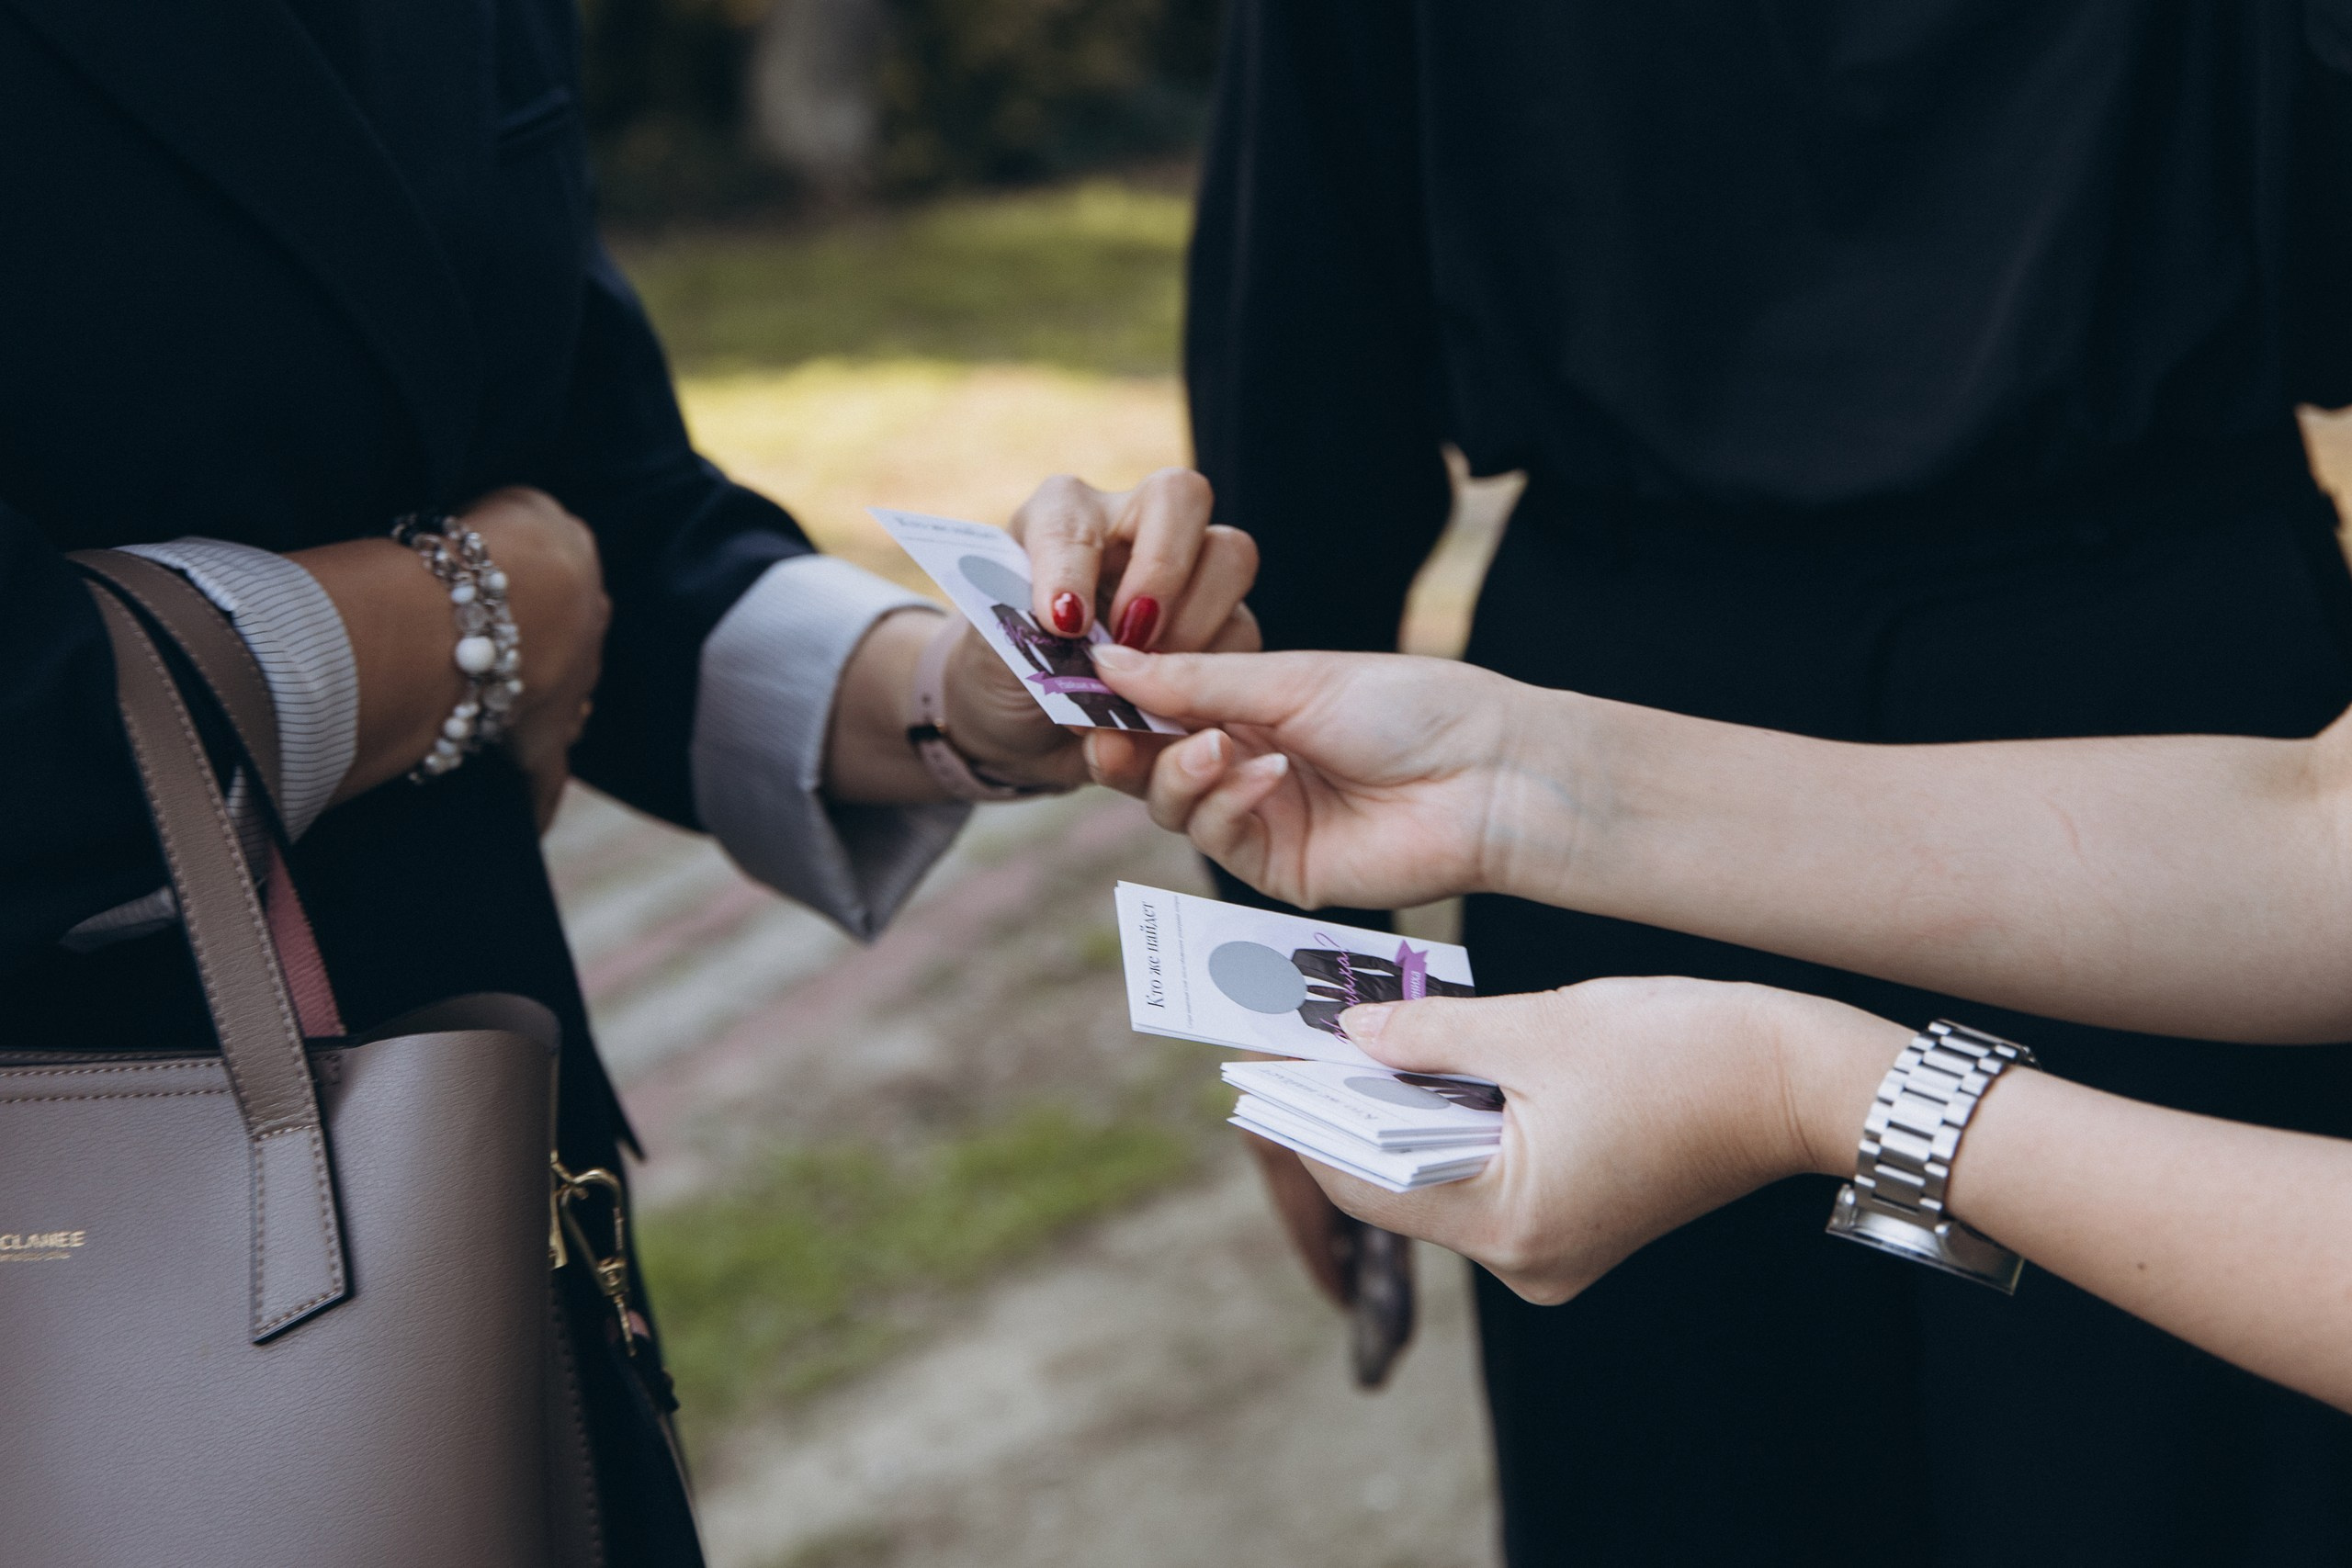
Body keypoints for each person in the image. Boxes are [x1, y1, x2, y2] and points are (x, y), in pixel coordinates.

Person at [0, 4, 1251, 1562]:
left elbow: (595, 509)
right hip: (93, 1251)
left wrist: (956, 692)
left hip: (473, 1171)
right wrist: (453, 618)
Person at [1182, 3, 2352, 1560]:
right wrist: (1513, 796)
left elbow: (1309, 351)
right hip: (2149, 666)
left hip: (1775, 693)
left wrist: (1304, 982)